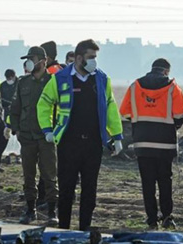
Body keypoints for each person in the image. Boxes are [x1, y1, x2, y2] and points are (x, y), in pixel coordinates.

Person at [37, 39, 124, 231]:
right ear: (78, 58)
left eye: (95, 57)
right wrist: (48, 130)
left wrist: (117, 136)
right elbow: (44, 103)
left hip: (93, 143)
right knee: (66, 189)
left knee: (89, 189)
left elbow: (110, 106)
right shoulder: (60, 78)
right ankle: (64, 228)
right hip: (68, 143)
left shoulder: (101, 79)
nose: (94, 61)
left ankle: (85, 227)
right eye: (90, 57)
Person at [119, 58, 183, 230]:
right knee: (165, 181)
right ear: (166, 71)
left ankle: (151, 219)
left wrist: (139, 123)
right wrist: (173, 125)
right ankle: (166, 216)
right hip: (165, 144)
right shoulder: (172, 87)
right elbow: (180, 113)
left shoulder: (135, 86)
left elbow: (124, 112)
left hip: (142, 143)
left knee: (147, 183)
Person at [11, 46, 58, 225]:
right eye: (28, 58)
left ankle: (52, 211)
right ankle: (30, 210)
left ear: (43, 61)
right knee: (28, 175)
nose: (29, 62)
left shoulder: (53, 82)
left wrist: (55, 131)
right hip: (27, 137)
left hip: (46, 137)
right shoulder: (23, 83)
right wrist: (15, 128)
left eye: (33, 58)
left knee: (49, 175)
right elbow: (15, 108)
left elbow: (60, 108)